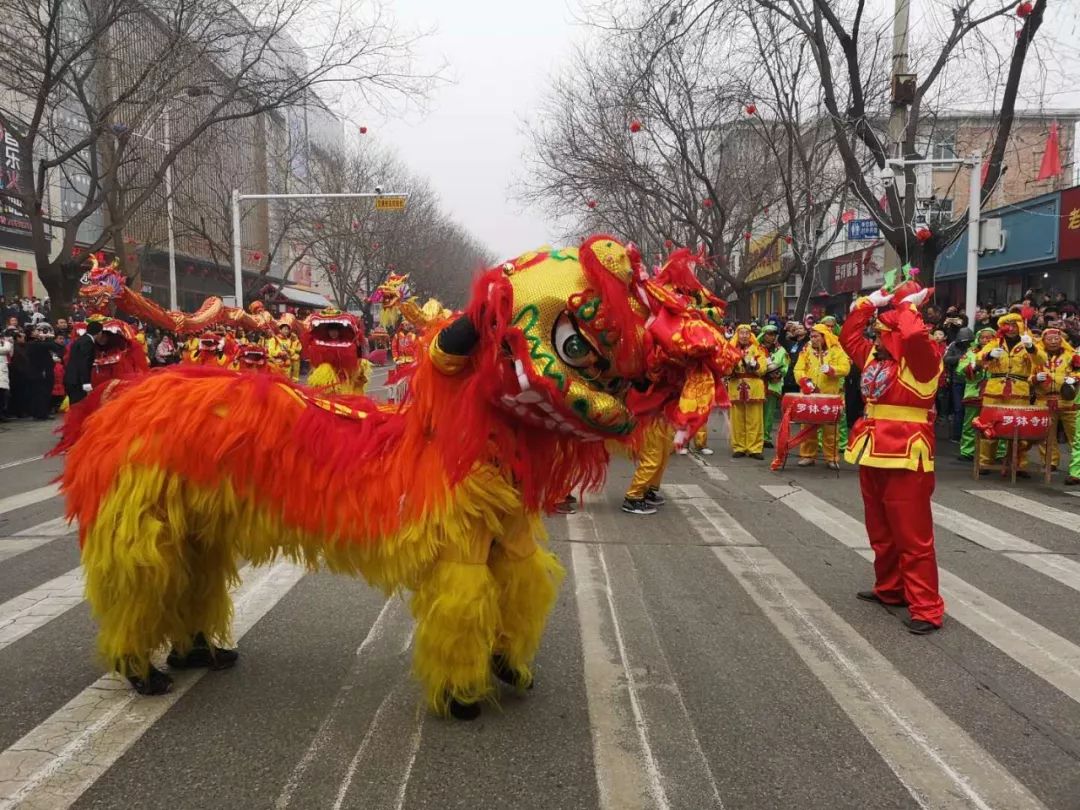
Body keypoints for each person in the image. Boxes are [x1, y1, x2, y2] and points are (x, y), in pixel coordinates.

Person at [840, 278, 945, 635]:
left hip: (906, 452)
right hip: (872, 448)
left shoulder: (923, 358)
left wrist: (907, 306)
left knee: (913, 538)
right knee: (880, 530)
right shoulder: (876, 357)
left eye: (886, 328)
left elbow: (914, 337)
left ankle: (926, 607)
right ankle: (890, 588)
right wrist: (868, 303)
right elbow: (848, 338)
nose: (878, 334)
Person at [974, 313, 1046, 477]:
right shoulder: (995, 341)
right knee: (989, 427)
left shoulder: (1029, 341)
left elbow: (1042, 360)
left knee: (1019, 428)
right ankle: (985, 461)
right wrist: (990, 355)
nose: (1011, 328)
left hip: (1018, 390)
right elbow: (978, 359)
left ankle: (1019, 463)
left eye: (1014, 325)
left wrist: (1031, 348)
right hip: (994, 390)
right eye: (1008, 325)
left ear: (1020, 326)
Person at [794, 324, 851, 469]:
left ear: (824, 337)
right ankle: (807, 455)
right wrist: (804, 380)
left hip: (830, 396)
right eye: (812, 336)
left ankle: (831, 457)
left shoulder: (836, 350)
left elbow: (845, 368)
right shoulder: (806, 350)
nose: (813, 339)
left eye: (816, 336)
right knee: (808, 427)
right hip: (810, 395)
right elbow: (798, 368)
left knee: (831, 429)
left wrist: (833, 370)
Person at [1032, 327, 1080, 471]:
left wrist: (1074, 378)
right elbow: (1027, 376)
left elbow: (1078, 371)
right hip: (1043, 399)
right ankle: (1050, 462)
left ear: (1062, 340)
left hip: (1067, 400)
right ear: (1043, 341)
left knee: (1075, 434)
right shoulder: (1036, 357)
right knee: (1046, 434)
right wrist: (1034, 378)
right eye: (1049, 339)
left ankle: (1077, 466)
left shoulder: (1071, 355)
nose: (1053, 342)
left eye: (1056, 339)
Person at [727, 324, 769, 459]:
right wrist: (730, 367)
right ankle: (739, 446)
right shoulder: (730, 350)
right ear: (737, 335)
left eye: (747, 333)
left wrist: (754, 365)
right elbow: (724, 368)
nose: (744, 336)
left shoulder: (758, 349)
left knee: (755, 419)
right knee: (737, 419)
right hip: (736, 386)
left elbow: (763, 369)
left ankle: (755, 448)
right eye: (741, 333)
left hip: (754, 387)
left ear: (751, 335)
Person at [956, 328, 994, 461]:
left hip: (994, 392)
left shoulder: (1001, 352)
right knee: (970, 424)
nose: (985, 340)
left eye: (989, 337)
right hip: (974, 391)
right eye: (983, 337)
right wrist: (974, 368)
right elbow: (960, 370)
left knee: (994, 424)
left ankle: (998, 453)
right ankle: (968, 451)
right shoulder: (971, 353)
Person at [760, 324, 789, 448]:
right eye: (768, 334)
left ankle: (765, 437)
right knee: (756, 413)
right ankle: (754, 436)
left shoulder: (781, 351)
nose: (771, 337)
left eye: (773, 334)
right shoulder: (756, 348)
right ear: (763, 334)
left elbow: (785, 366)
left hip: (772, 385)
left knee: (769, 413)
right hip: (758, 384)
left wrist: (778, 373)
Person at [64, 320, 104, 406]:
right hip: (77, 380)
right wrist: (86, 382)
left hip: (72, 378)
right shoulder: (87, 342)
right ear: (99, 332)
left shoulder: (82, 340)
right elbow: (84, 362)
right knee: (79, 407)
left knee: (75, 406)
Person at [23, 325, 56, 419]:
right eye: (36, 330)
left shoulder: (35, 343)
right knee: (41, 393)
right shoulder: (33, 344)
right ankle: (41, 413)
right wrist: (47, 338)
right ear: (31, 333)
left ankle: (40, 412)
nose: (39, 332)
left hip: (38, 371)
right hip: (38, 371)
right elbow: (51, 346)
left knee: (41, 393)